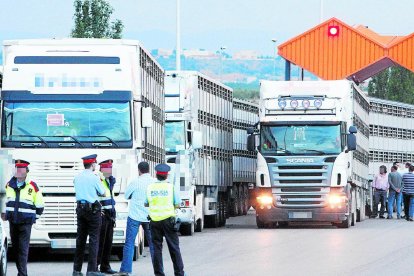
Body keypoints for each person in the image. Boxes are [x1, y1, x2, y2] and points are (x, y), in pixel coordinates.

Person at [1, 160, 44, 276]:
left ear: (27, 171)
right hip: (13, 222)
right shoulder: (9, 185)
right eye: (17, 169)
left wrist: (34, 218)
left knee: (23, 249)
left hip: (25, 223)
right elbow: (5, 201)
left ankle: (22, 274)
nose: (19, 171)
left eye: (21, 169)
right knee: (15, 249)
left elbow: (40, 206)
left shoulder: (33, 186)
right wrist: (5, 214)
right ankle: (21, 272)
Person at [145, 164, 185, 276]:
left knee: (157, 248)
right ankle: (179, 273)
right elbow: (177, 204)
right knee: (174, 248)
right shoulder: (170, 187)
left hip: (154, 221)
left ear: (156, 175)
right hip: (168, 221)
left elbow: (146, 202)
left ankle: (158, 273)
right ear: (166, 175)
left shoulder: (150, 187)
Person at [117, 162, 155, 276]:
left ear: (139, 170)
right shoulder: (154, 182)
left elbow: (126, 195)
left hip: (135, 216)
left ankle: (126, 270)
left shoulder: (135, 182)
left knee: (129, 243)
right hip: (150, 216)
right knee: (153, 244)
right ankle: (158, 270)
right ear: (149, 170)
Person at [73, 154, 106, 276]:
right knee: (94, 239)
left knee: (80, 239)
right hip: (92, 211)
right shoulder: (94, 177)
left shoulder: (77, 177)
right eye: (95, 164)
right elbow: (103, 192)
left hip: (80, 209)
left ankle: (76, 270)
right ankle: (92, 270)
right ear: (92, 164)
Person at [97, 159, 117, 274]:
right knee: (101, 242)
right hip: (103, 214)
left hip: (110, 215)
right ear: (102, 170)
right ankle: (97, 266)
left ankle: (105, 266)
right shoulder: (99, 180)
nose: (110, 171)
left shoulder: (109, 181)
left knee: (108, 242)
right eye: (108, 169)